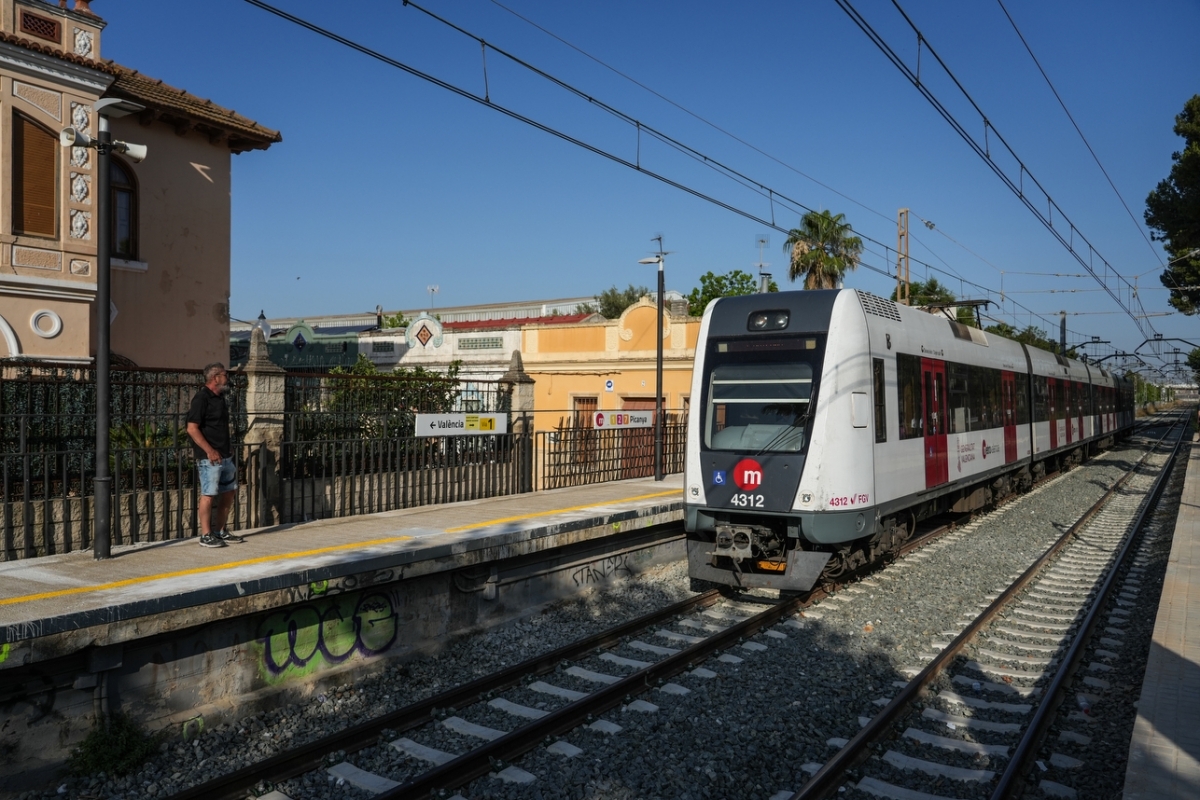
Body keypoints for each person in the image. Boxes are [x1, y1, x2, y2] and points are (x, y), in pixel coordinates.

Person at [186, 363, 243, 547]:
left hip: (225, 455)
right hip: (209, 458)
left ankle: (220, 531)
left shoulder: (220, 398)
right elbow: (192, 428)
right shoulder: (202, 398)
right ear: (215, 377)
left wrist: (228, 446)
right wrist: (209, 450)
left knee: (229, 492)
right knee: (209, 494)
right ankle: (206, 534)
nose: (228, 378)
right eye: (225, 375)